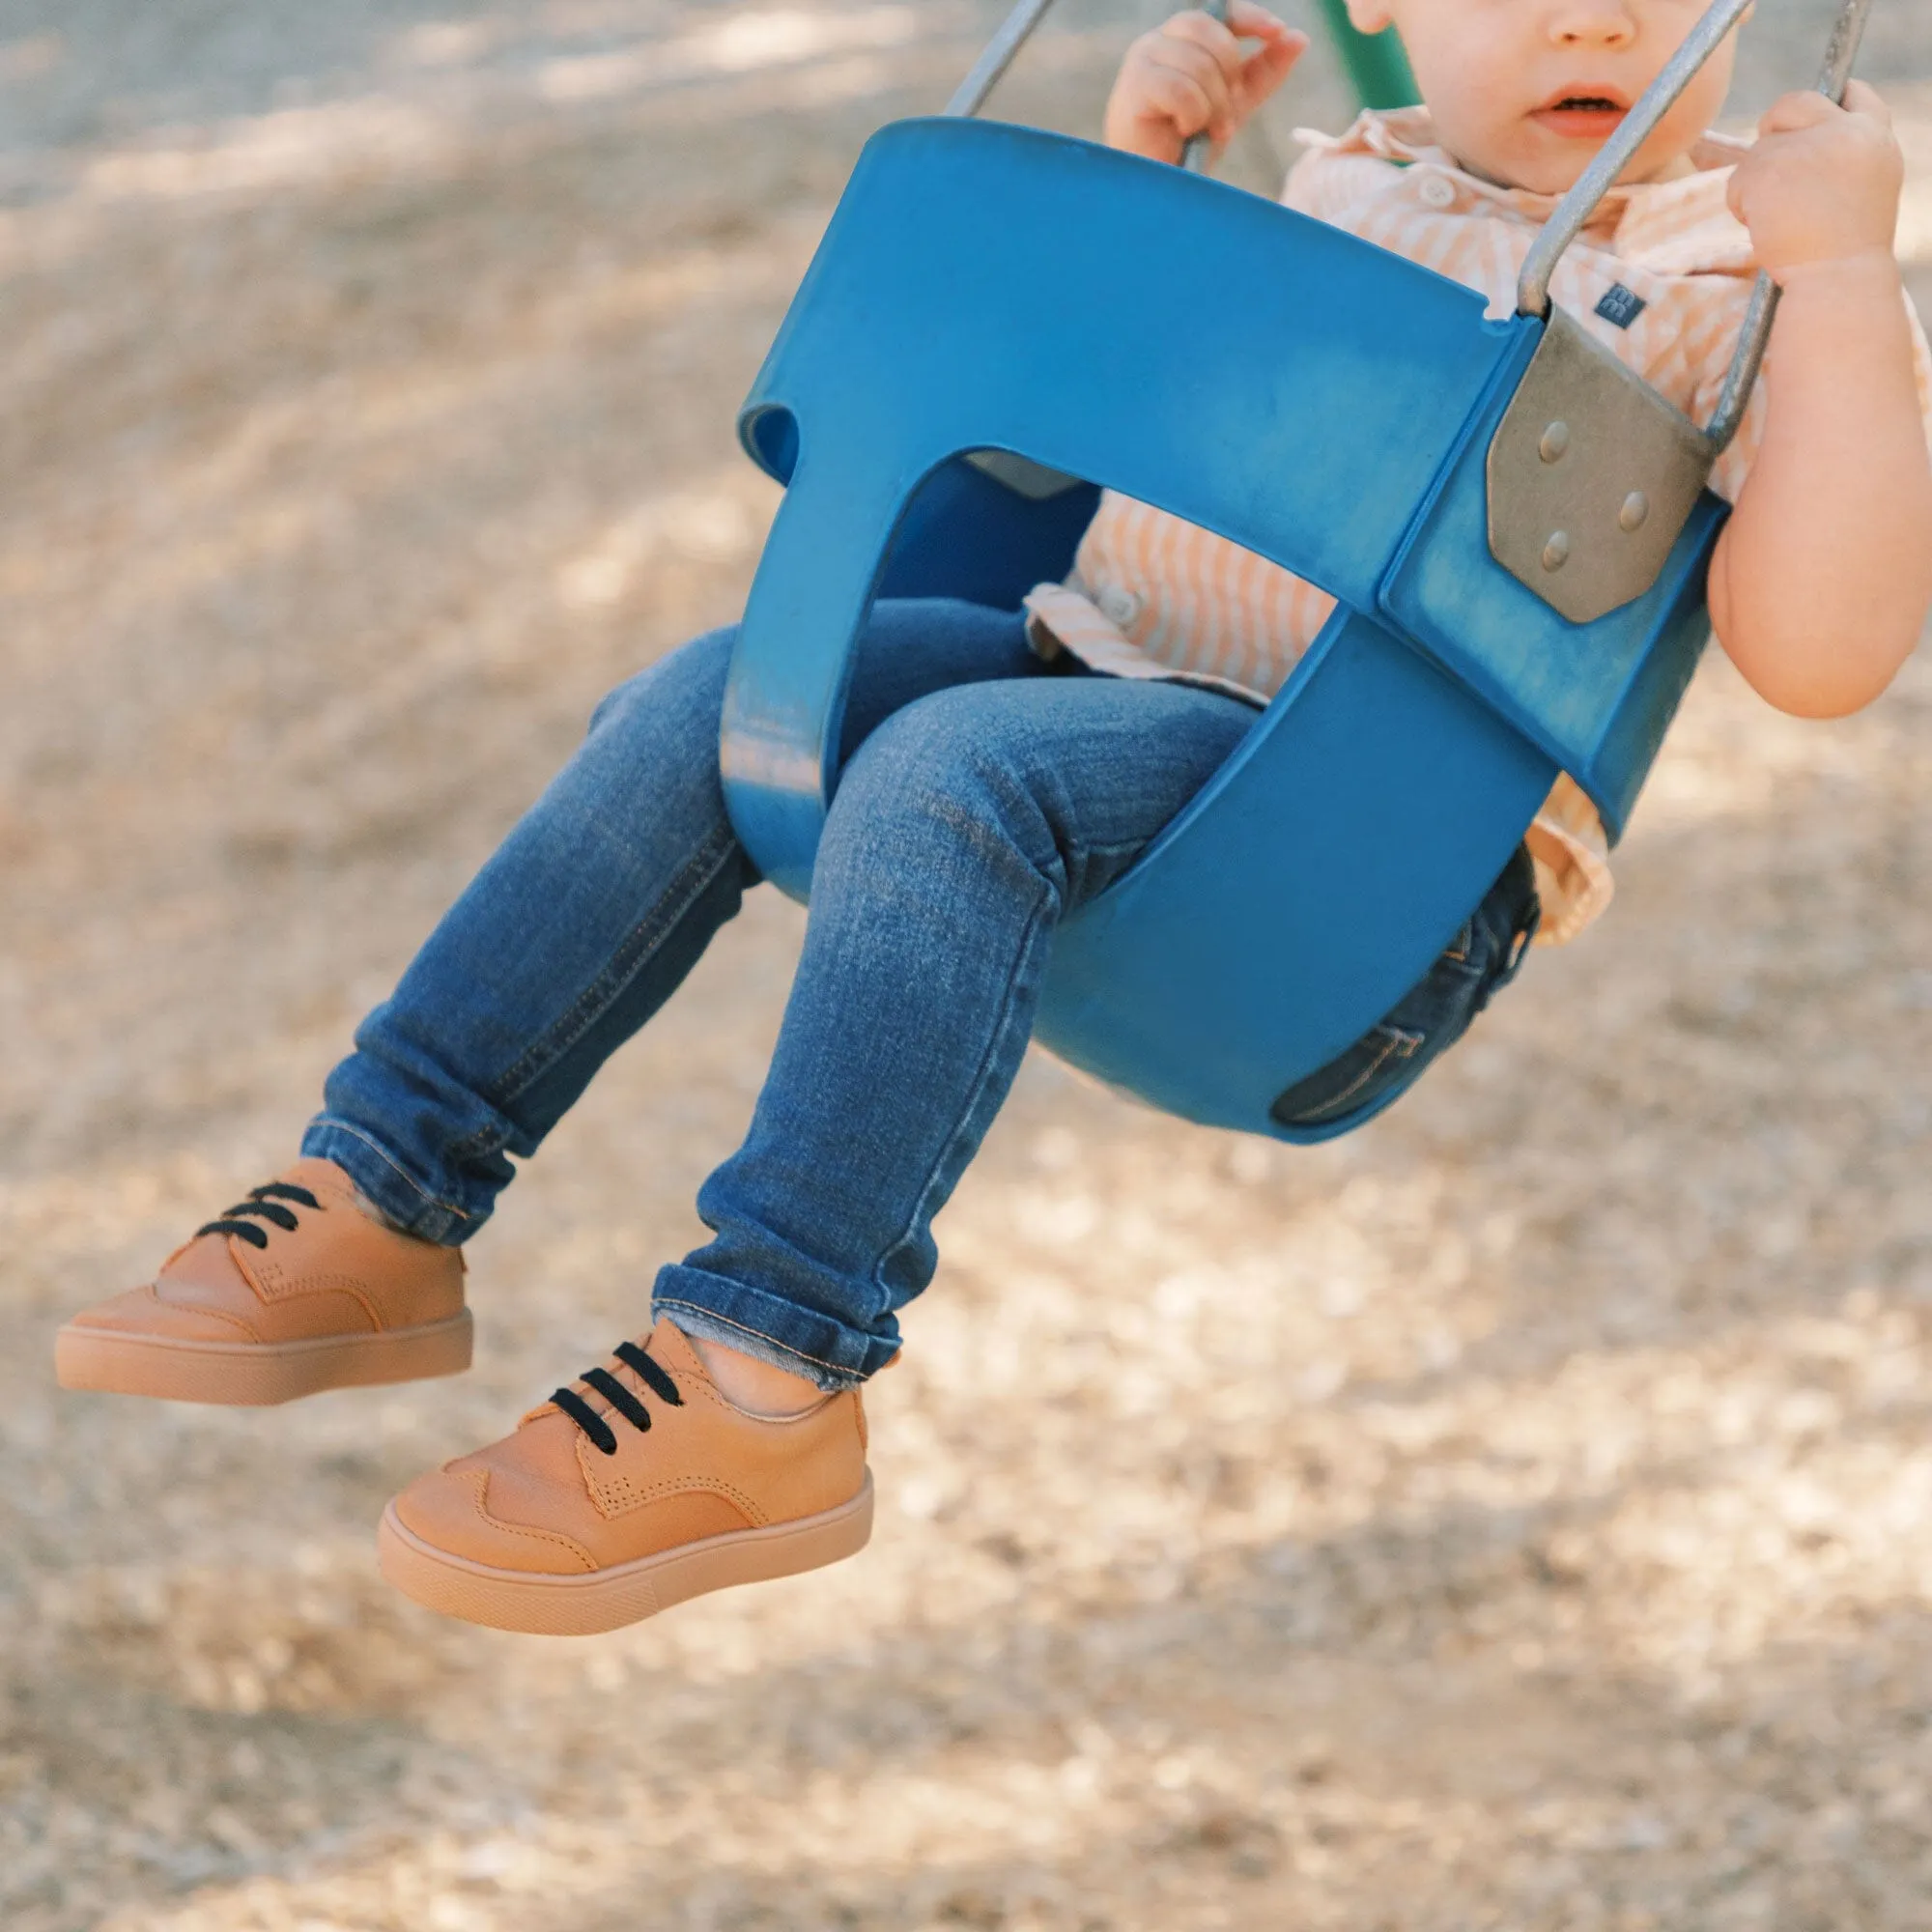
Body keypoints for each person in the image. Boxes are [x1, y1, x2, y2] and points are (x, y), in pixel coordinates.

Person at [56, 0, 1932, 1635]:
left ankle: (766, 1368)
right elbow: (1135, 434)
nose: (1592, 22)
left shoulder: (1735, 270)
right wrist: (1151, 166)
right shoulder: (1347, 175)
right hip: (1100, 669)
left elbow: (1823, 648)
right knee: (721, 689)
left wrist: (1846, 284)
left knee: (947, 777)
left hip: (1364, 858)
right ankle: (386, 1188)